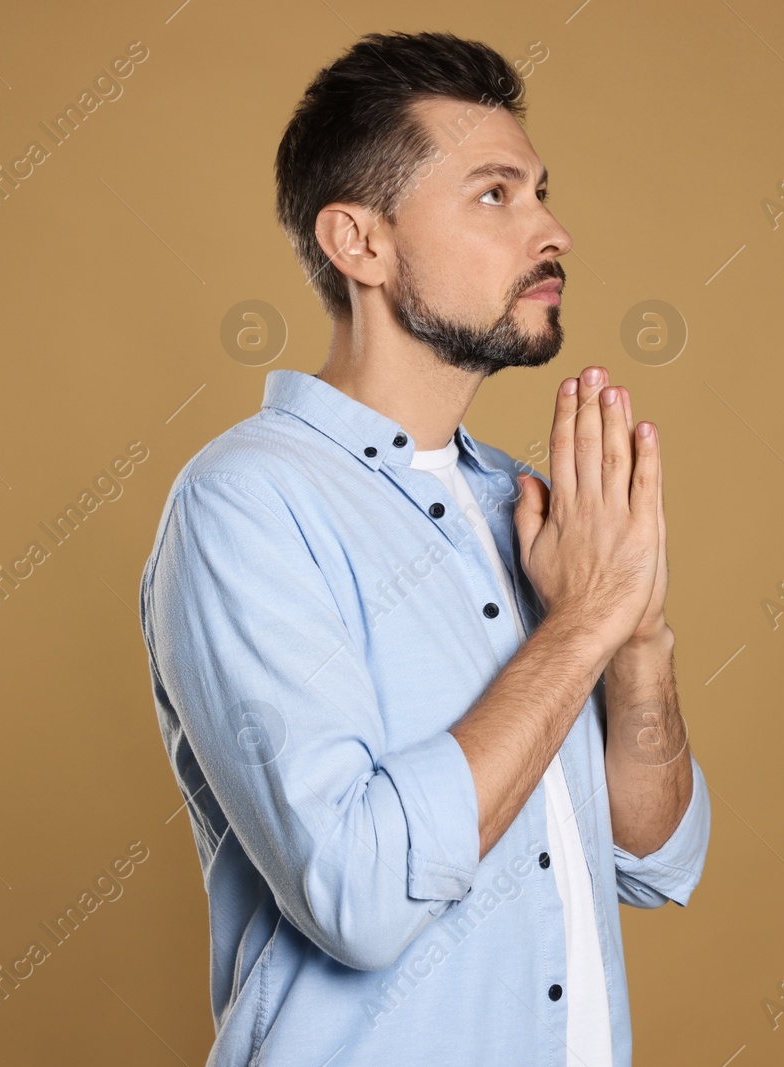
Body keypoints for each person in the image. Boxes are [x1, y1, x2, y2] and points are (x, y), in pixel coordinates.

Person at [138, 29, 711, 1066]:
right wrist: (582, 622)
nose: (553, 231)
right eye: (495, 195)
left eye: (539, 191)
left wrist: (634, 636)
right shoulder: (248, 504)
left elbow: (656, 854)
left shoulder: (528, 512)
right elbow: (356, 891)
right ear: (360, 243)